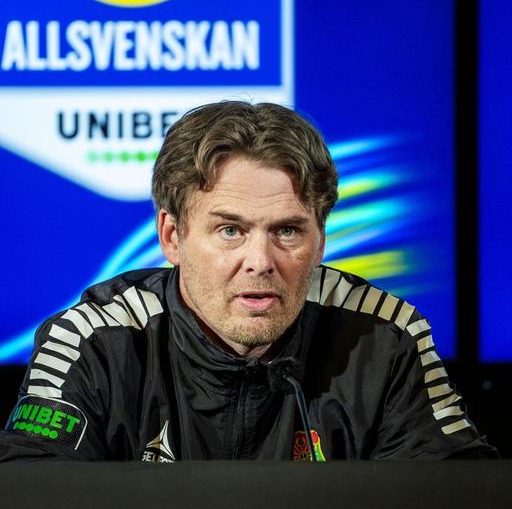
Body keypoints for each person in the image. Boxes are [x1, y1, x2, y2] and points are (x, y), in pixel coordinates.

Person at [0, 101, 497, 461]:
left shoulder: (386, 336)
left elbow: (459, 493)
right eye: (230, 230)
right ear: (172, 237)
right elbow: (31, 489)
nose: (260, 261)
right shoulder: (93, 341)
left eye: (287, 231)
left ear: (321, 241)